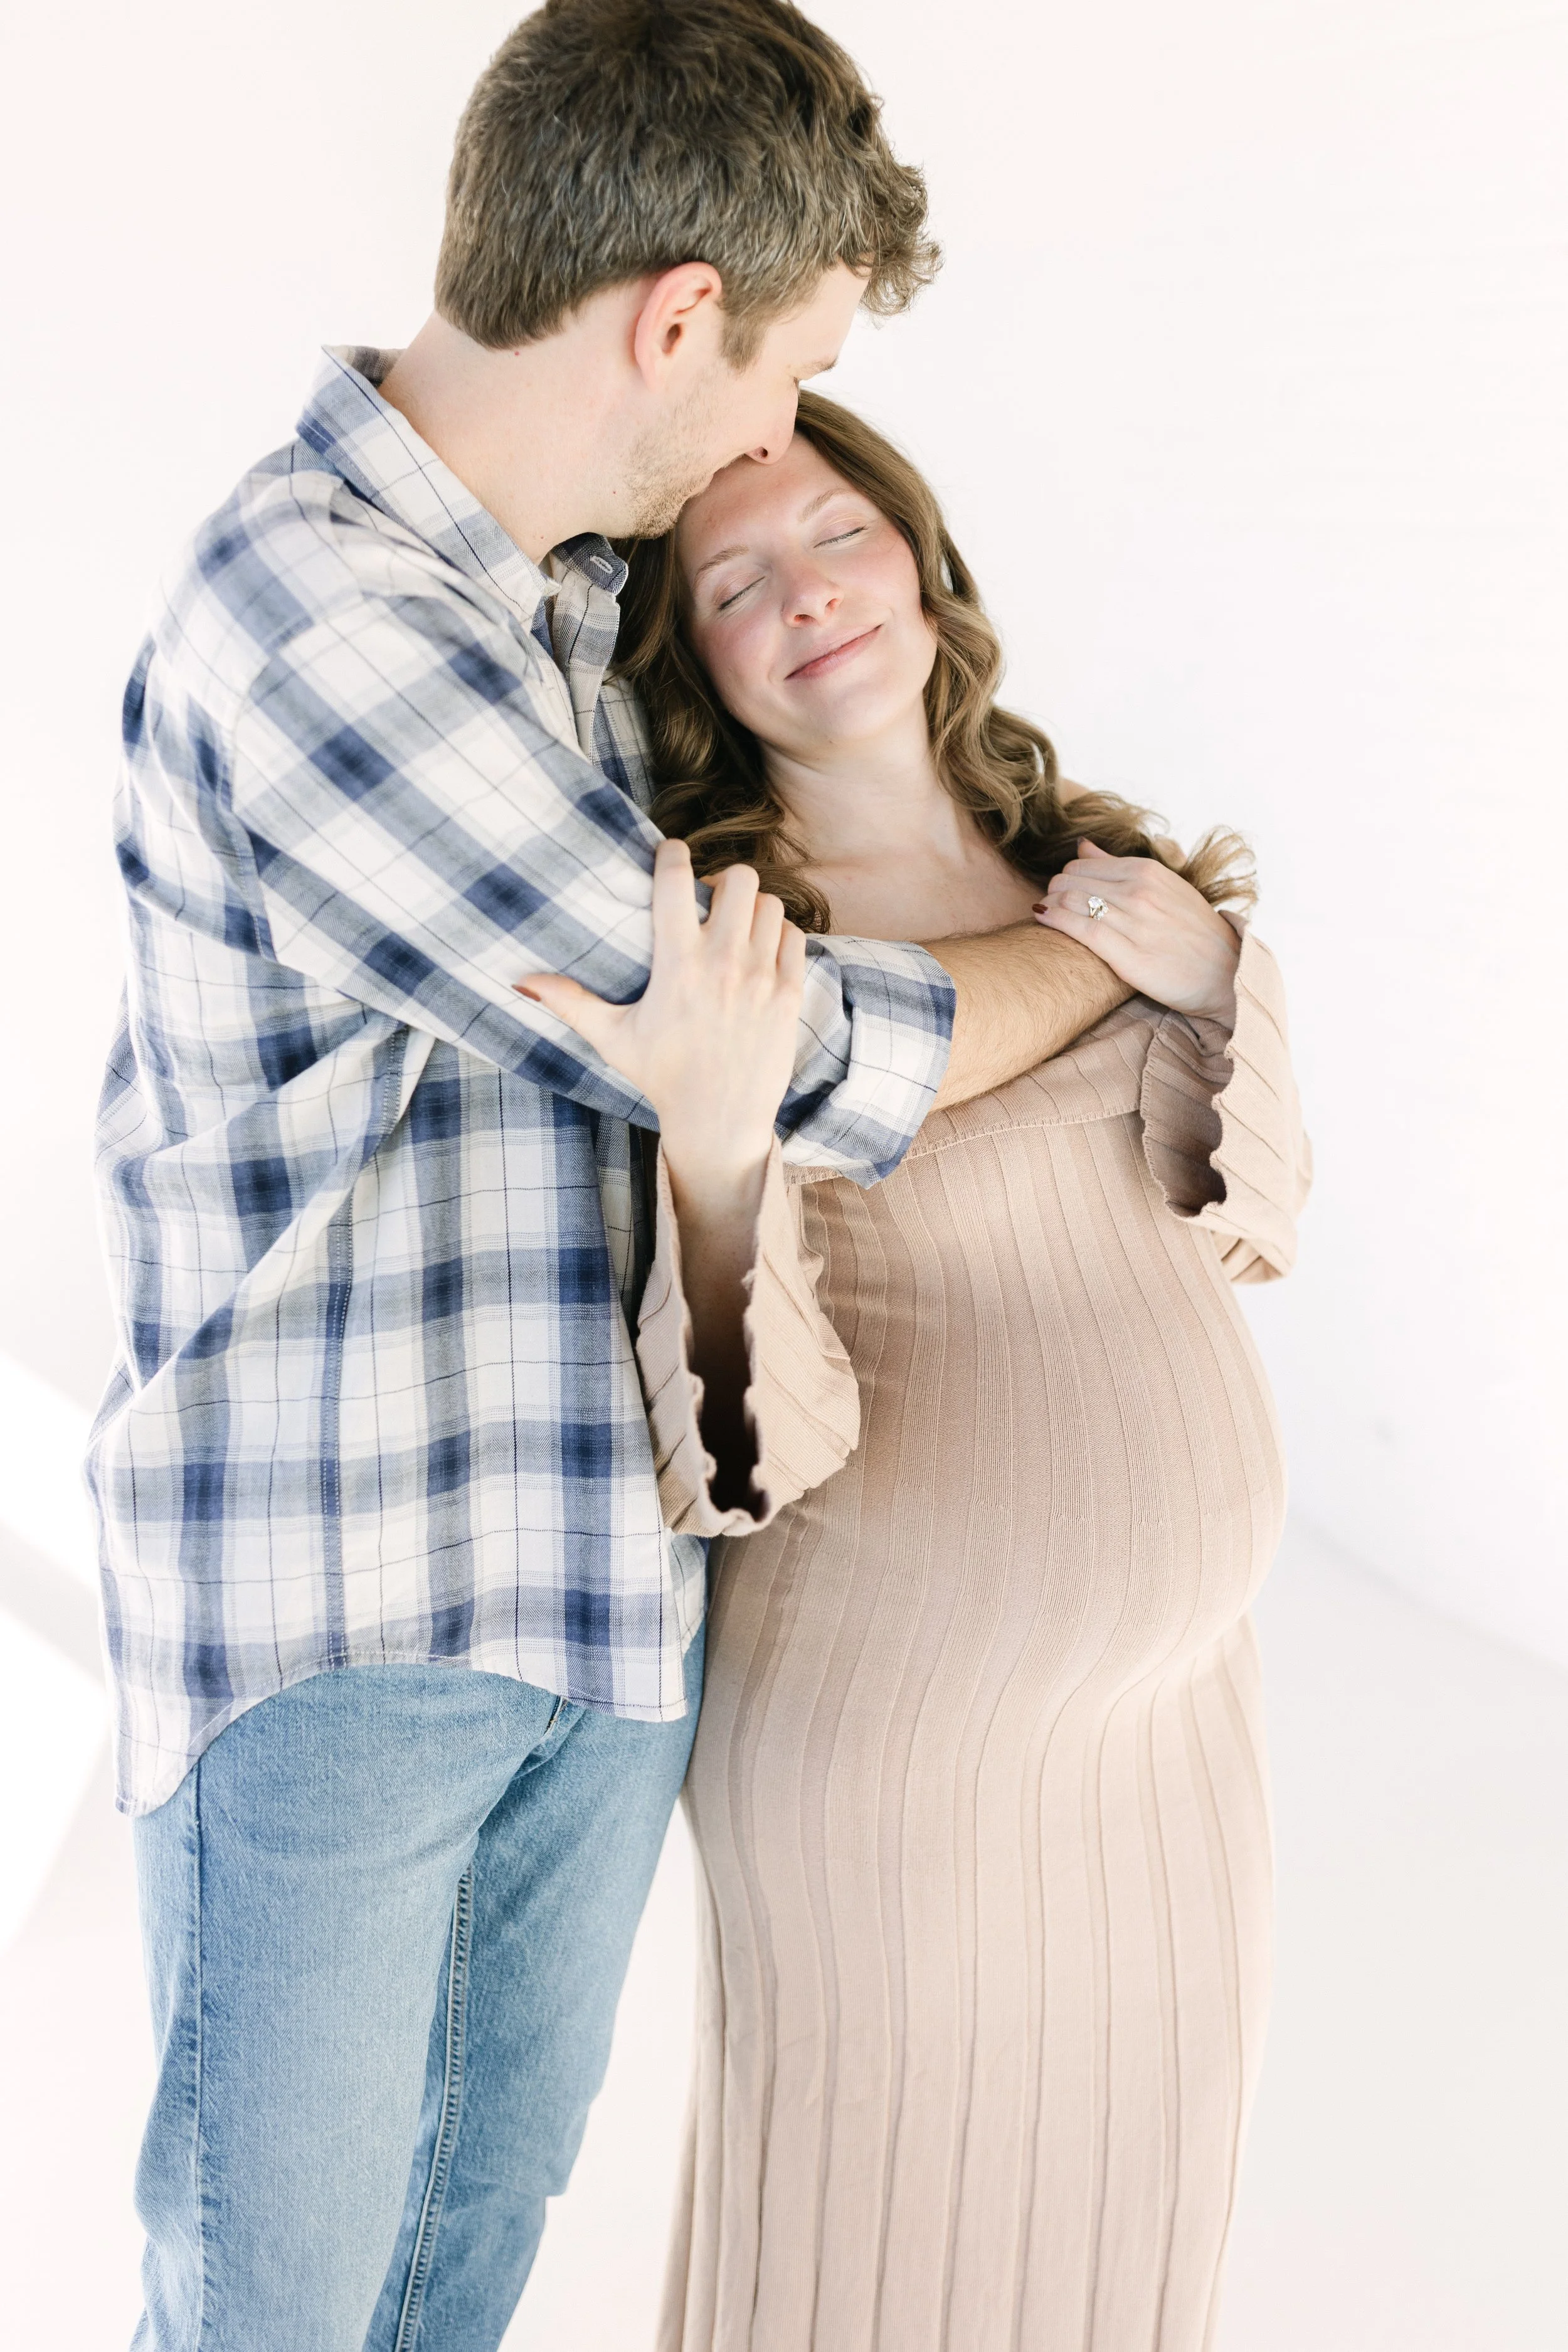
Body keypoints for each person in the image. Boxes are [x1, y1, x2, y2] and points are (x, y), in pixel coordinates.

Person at [88, 7, 1142, 2347]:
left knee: (446, 2300)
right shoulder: (320, 632)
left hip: (592, 1606)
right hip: (344, 1619)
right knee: (269, 2316)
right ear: (678, 321)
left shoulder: (555, 601)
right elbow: (803, 1046)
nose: (771, 442)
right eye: (781, 379)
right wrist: (1097, 946)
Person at [532, 392, 1311, 2351]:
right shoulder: (743, 958)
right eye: (733, 581)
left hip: (1174, 1737)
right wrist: (712, 1163)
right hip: (904, 1775)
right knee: (874, 2255)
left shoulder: (1094, 873)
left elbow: (1249, 1218)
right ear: (694, 663)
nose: (805, 592)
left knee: (1124, 2258)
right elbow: (735, 1454)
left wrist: (1225, 987)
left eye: (835, 533)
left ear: (916, 551)